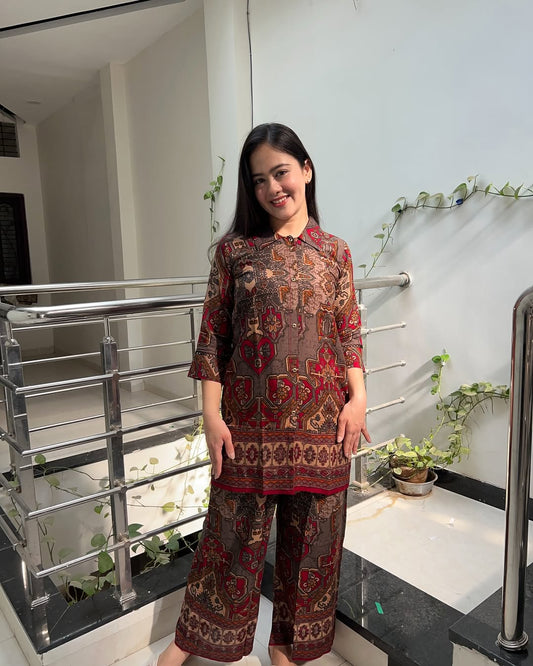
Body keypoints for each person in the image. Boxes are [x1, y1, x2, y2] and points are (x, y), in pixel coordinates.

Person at [154, 123, 370, 666]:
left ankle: (286, 651)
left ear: (306, 171)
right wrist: (211, 415)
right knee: (228, 541)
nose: (273, 188)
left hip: (323, 426)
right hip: (248, 426)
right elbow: (213, 338)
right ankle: (186, 645)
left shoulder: (335, 252)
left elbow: (348, 330)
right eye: (259, 180)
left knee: (313, 547)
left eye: (281, 172)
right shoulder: (235, 253)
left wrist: (358, 398)